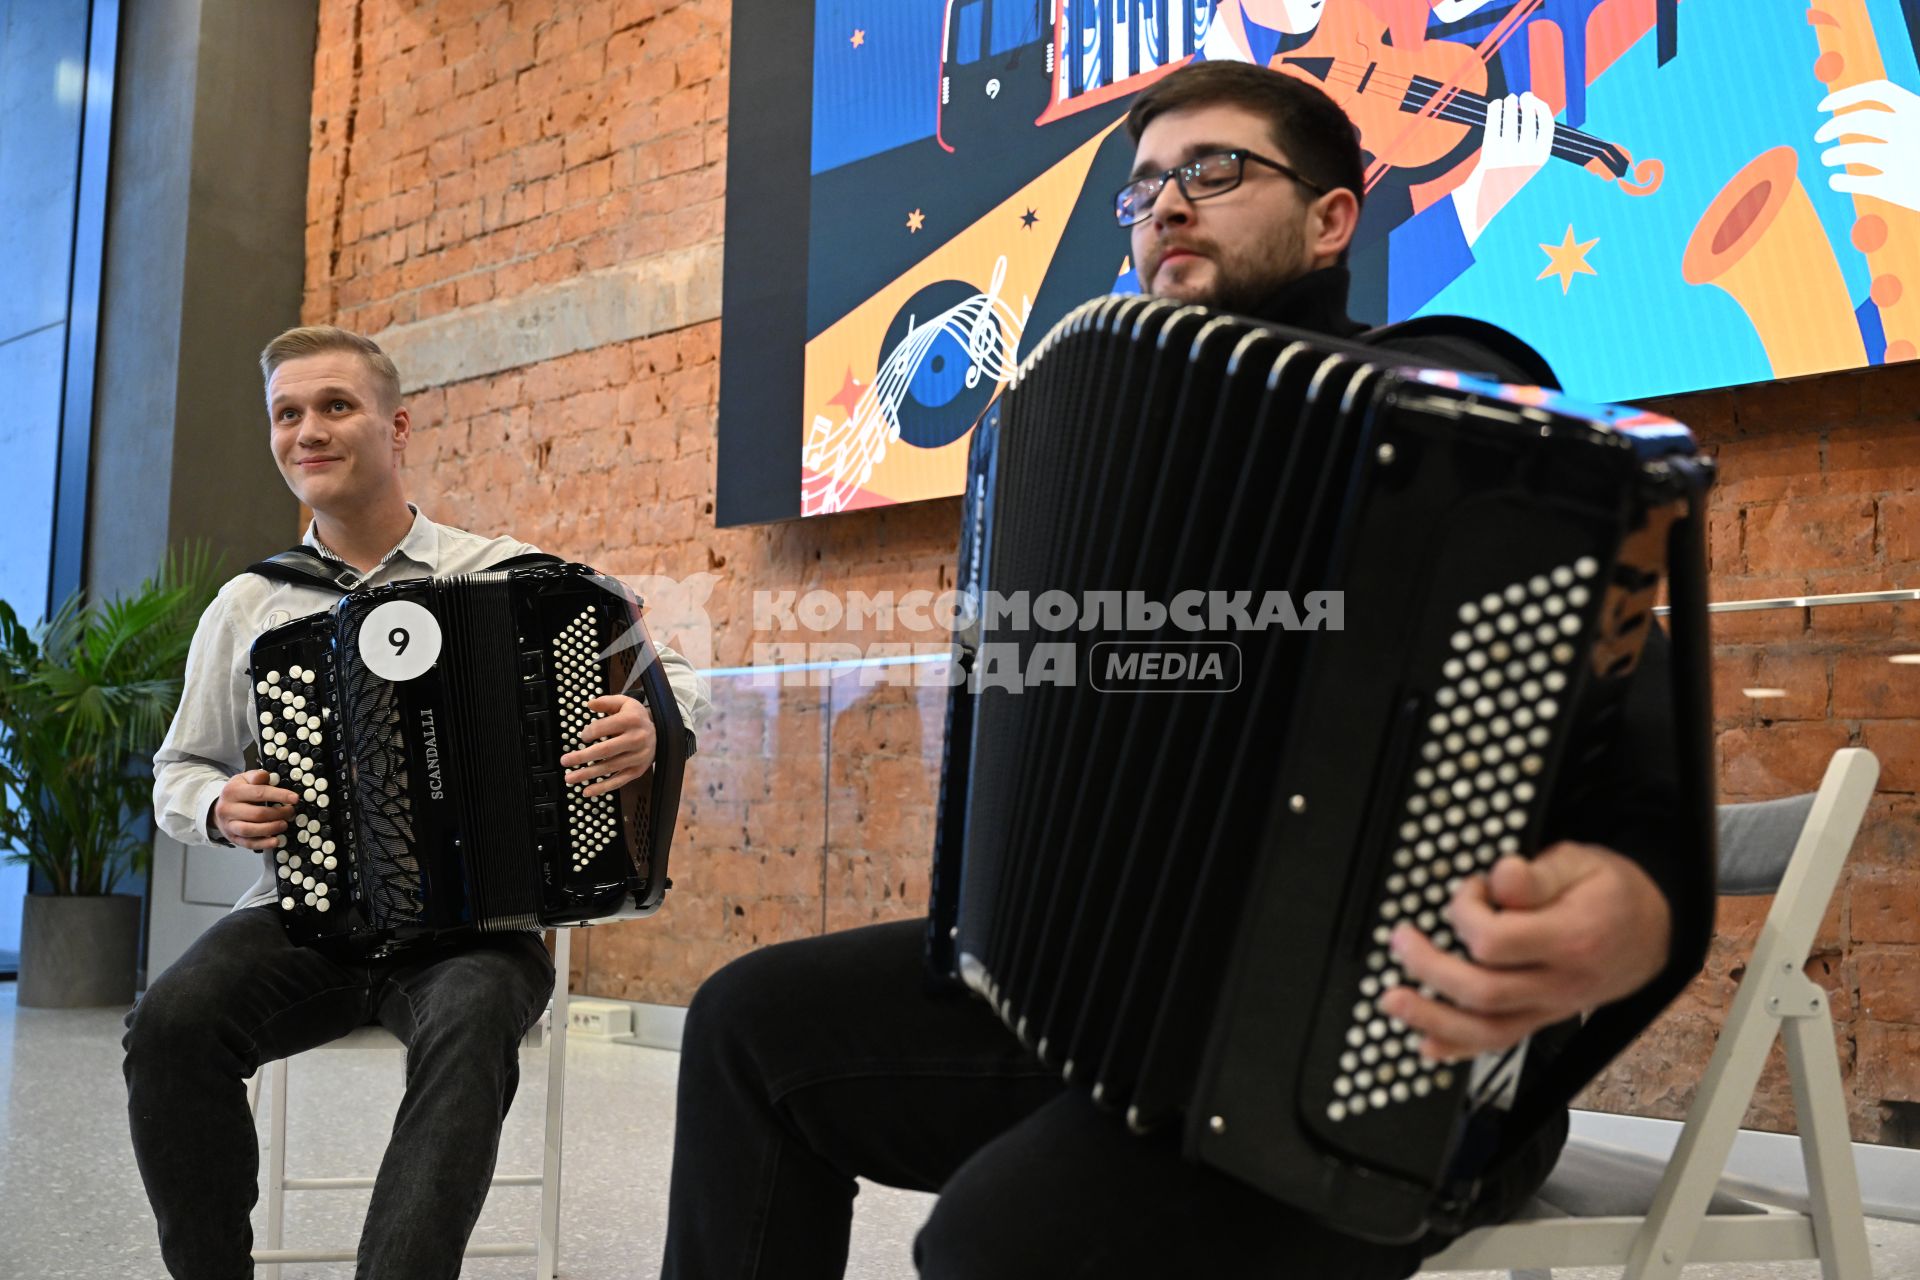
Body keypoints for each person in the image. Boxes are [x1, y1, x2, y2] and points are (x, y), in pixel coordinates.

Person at [659, 61, 1709, 1280]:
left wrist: (1639, 886)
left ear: (1331, 217)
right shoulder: (1111, 440)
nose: (1166, 202)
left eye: (1215, 170)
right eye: (1146, 185)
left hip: (1371, 1046)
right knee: (749, 1025)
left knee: (1003, 1238)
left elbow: (1620, 690)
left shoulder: (1432, 413)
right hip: (1125, 999)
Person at [127, 324, 709, 1279]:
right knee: (169, 1025)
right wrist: (219, 805)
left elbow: (669, 673)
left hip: (483, 928)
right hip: (305, 920)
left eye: (335, 406)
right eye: (287, 414)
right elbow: (178, 770)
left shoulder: (509, 575)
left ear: (397, 428)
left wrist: (651, 723)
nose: (308, 432)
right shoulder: (251, 605)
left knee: (474, 1018)